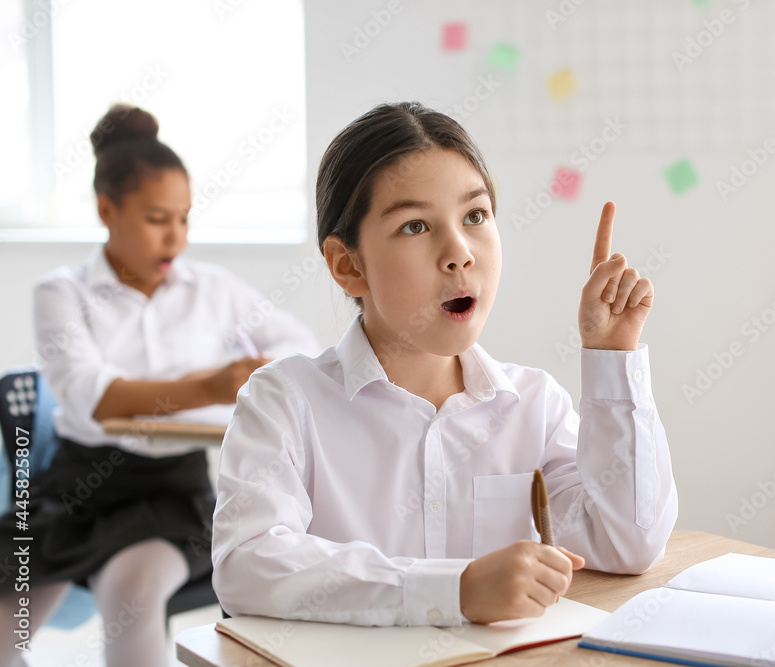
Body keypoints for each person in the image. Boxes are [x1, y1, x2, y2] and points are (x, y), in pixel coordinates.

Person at [211, 101, 678, 627]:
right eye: (415, 226)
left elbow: (628, 543)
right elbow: (246, 565)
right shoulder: (284, 400)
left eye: (475, 216)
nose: (459, 253)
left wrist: (612, 357)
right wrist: (454, 590)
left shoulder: (533, 405)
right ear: (348, 266)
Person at [0, 104, 319, 666]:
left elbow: (304, 345)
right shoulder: (61, 292)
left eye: (184, 218)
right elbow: (93, 397)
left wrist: (254, 377)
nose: (175, 236)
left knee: (133, 594)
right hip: (73, 491)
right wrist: (212, 385)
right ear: (107, 209)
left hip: (171, 493)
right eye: (156, 219)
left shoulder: (213, 289)